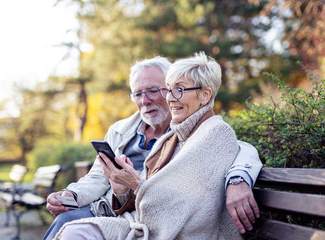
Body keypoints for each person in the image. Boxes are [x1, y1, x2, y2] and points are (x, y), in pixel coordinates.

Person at [44, 55, 262, 240]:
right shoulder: (121, 130)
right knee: (68, 223)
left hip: (143, 218)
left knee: (74, 230)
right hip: (113, 209)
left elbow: (236, 147)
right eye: (138, 93)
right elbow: (97, 178)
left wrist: (238, 179)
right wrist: (72, 194)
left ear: (204, 95)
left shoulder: (189, 131)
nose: (145, 100)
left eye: (154, 91)